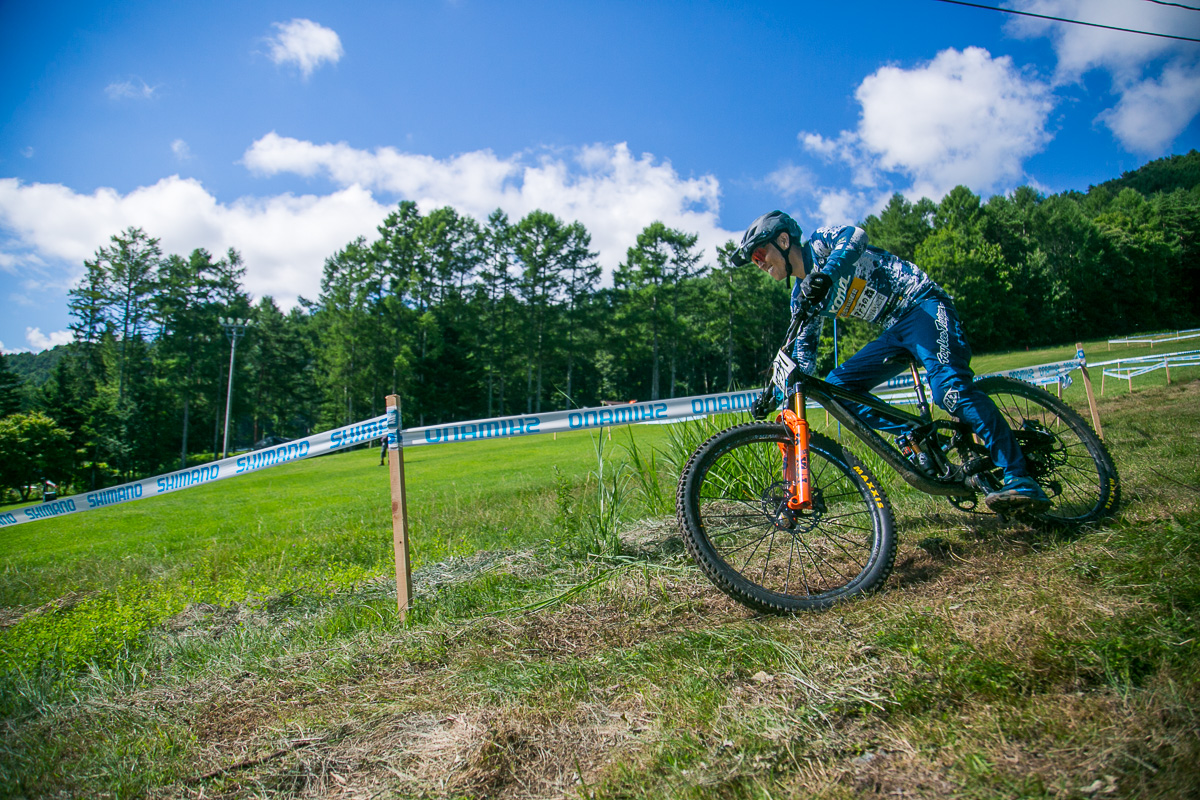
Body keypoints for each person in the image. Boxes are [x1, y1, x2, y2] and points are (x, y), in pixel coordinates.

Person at [731, 210, 1050, 514]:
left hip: (922, 305)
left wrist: (828, 275)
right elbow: (803, 359)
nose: (759, 264)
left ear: (784, 241)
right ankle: (915, 435)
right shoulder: (801, 296)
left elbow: (855, 236)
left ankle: (1020, 477)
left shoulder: (819, 243)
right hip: (894, 330)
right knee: (838, 389)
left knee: (949, 392)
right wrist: (772, 395)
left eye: (759, 255)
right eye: (753, 262)